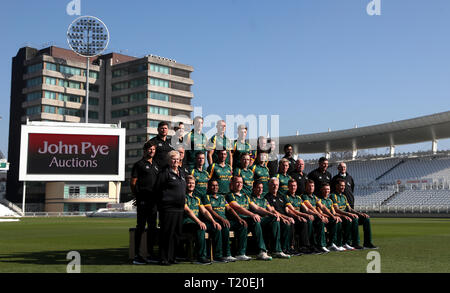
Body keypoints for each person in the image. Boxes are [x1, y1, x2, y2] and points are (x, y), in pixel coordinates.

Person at [225, 175, 273, 261]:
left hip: (248, 219)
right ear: (232, 183)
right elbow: (238, 208)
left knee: (272, 220)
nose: (239, 184)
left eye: (241, 182)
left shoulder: (245, 196)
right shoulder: (229, 195)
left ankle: (272, 250)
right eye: (237, 182)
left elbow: (257, 208)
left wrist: (271, 214)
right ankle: (248, 252)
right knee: (253, 221)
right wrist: (252, 214)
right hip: (236, 220)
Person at [130, 141, 160, 264]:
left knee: (152, 227)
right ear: (145, 150)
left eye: (153, 149)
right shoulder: (139, 164)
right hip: (143, 200)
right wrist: (138, 197)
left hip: (154, 202)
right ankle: (137, 255)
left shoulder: (156, 165)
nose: (151, 151)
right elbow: (133, 183)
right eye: (149, 149)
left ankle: (150, 254)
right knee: (141, 227)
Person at [154, 150, 187, 265]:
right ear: (169, 160)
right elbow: (157, 190)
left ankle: (172, 257)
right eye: (173, 159)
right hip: (168, 209)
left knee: (176, 234)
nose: (175, 161)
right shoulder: (164, 173)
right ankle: (163, 258)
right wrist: (162, 204)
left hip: (179, 209)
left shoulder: (182, 173)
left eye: (177, 159)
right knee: (166, 234)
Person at [202, 179, 247, 262]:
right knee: (225, 225)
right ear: (208, 187)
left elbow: (229, 209)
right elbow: (210, 210)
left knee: (242, 224)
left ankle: (241, 253)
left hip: (225, 220)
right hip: (215, 221)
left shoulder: (222, 197)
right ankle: (226, 254)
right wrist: (221, 219)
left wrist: (239, 218)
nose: (215, 187)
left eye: (216, 185)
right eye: (213, 185)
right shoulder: (206, 197)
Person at [183, 175, 221, 264]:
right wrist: (199, 221)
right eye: (189, 183)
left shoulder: (197, 198)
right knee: (200, 228)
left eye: (192, 183)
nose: (191, 185)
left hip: (197, 223)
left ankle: (218, 256)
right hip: (186, 224)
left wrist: (213, 221)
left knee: (215, 227)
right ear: (185, 184)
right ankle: (201, 257)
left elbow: (205, 211)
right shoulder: (182, 197)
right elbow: (188, 211)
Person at [331, 179, 378, 250]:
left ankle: (367, 243)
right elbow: (336, 210)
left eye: (344, 186)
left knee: (366, 219)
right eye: (341, 185)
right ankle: (355, 243)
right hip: (341, 216)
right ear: (336, 186)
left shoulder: (344, 197)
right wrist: (349, 214)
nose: (343, 187)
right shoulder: (333, 196)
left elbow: (349, 208)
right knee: (354, 218)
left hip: (347, 215)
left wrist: (359, 213)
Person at [263, 178, 296, 256]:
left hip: (284, 217)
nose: (275, 186)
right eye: (273, 184)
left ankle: (290, 247)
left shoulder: (282, 196)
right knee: (286, 224)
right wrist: (285, 218)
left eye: (277, 185)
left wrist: (294, 216)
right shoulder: (267, 197)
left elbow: (287, 210)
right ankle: (283, 248)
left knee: (292, 221)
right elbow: (273, 211)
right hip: (276, 217)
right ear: (269, 185)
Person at [284, 179, 315, 255]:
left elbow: (306, 209)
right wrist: (304, 215)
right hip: (291, 216)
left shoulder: (298, 197)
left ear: (297, 186)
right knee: (300, 221)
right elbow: (292, 210)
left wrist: (315, 214)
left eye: (294, 185)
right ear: (288, 187)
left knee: (306, 221)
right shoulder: (285, 196)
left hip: (299, 216)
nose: (293, 187)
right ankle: (292, 247)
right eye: (291, 186)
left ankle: (305, 246)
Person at [301, 179, 330, 253]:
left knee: (323, 220)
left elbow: (322, 207)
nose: (311, 188)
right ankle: (311, 245)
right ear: (306, 187)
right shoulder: (304, 196)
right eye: (309, 186)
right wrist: (319, 214)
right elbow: (310, 207)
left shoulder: (315, 197)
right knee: (311, 222)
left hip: (316, 216)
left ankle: (322, 245)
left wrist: (330, 215)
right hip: (308, 216)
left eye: (312, 186)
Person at [317, 183, 346, 252]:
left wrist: (338, 216)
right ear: (321, 190)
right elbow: (320, 212)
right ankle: (324, 244)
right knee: (332, 220)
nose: (326, 191)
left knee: (338, 220)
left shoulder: (330, 200)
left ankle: (335, 243)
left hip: (330, 218)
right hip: (324, 218)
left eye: (328, 189)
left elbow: (334, 212)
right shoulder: (319, 200)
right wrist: (332, 217)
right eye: (325, 189)